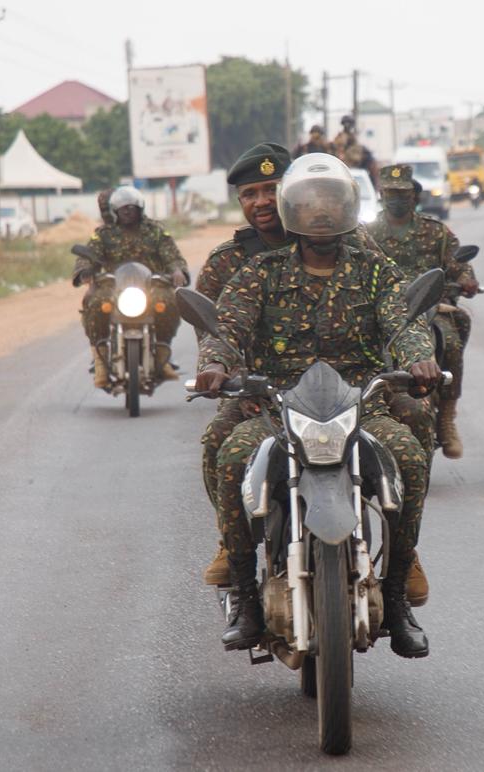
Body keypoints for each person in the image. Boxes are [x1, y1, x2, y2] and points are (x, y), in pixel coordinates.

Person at [194, 153, 440, 658]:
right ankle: (245, 597)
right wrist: (216, 364)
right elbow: (228, 326)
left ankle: (396, 595)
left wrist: (419, 357)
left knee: (410, 457)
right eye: (310, 206)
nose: (321, 216)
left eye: (330, 205)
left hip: (360, 401)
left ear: (347, 208)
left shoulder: (373, 268)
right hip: (278, 404)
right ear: (294, 212)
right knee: (231, 456)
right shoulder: (260, 272)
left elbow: (404, 320)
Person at [197, 143, 293, 585]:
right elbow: (212, 330)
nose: (261, 202)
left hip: (341, 390)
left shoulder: (333, 242)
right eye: (250, 194)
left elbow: (388, 313)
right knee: (218, 442)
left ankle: (404, 550)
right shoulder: (228, 262)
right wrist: (227, 376)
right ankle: (231, 541)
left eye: (271, 189)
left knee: (411, 419)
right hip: (257, 392)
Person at [366, 164, 479, 459]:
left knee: (451, 339)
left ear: (414, 196)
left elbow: (458, 263)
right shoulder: (366, 234)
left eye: (402, 194)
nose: (396, 199)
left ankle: (447, 417)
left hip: (430, 307)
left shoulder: (435, 231)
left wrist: (466, 278)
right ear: (381, 195)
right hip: (383, 310)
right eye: (390, 193)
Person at [72, 186, 190, 388]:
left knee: (169, 302)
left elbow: (172, 256)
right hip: (113, 286)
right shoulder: (104, 234)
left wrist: (178, 271)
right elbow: (88, 255)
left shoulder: (155, 231)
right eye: (122, 208)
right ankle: (100, 360)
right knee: (95, 303)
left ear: (140, 208)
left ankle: (162, 353)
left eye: (131, 207)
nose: (127, 211)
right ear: (115, 211)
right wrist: (85, 271)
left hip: (152, 284)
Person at [332, 114, 379, 188]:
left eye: (349, 124)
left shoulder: (360, 149)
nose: (347, 126)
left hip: (355, 177)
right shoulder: (335, 144)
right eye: (345, 124)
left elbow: (372, 167)